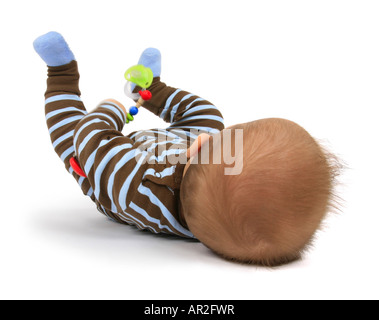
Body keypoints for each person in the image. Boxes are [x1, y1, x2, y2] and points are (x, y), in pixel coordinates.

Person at [34, 32, 339, 266]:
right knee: (210, 116)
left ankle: (61, 75)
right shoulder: (216, 214)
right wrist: (205, 153)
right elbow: (221, 165)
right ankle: (151, 89)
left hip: (108, 168)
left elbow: (95, 139)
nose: (214, 136)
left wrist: (110, 112)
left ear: (201, 151)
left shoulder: (135, 188)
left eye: (222, 140)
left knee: (72, 136)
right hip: (181, 157)